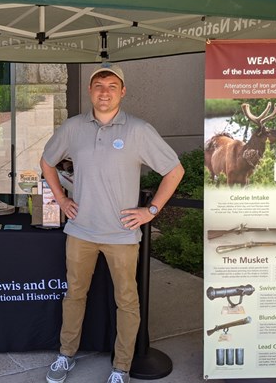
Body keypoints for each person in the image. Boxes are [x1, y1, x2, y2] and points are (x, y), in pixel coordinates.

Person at [41, 64, 184, 383]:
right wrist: (62, 200)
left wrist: (152, 210)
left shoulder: (138, 129)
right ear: (90, 91)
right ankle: (66, 354)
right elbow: (46, 163)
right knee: (75, 295)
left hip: (122, 234)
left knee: (127, 301)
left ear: (123, 92)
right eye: (98, 85)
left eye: (111, 86)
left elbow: (174, 171)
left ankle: (121, 367)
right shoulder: (74, 127)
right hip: (80, 231)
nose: (104, 91)